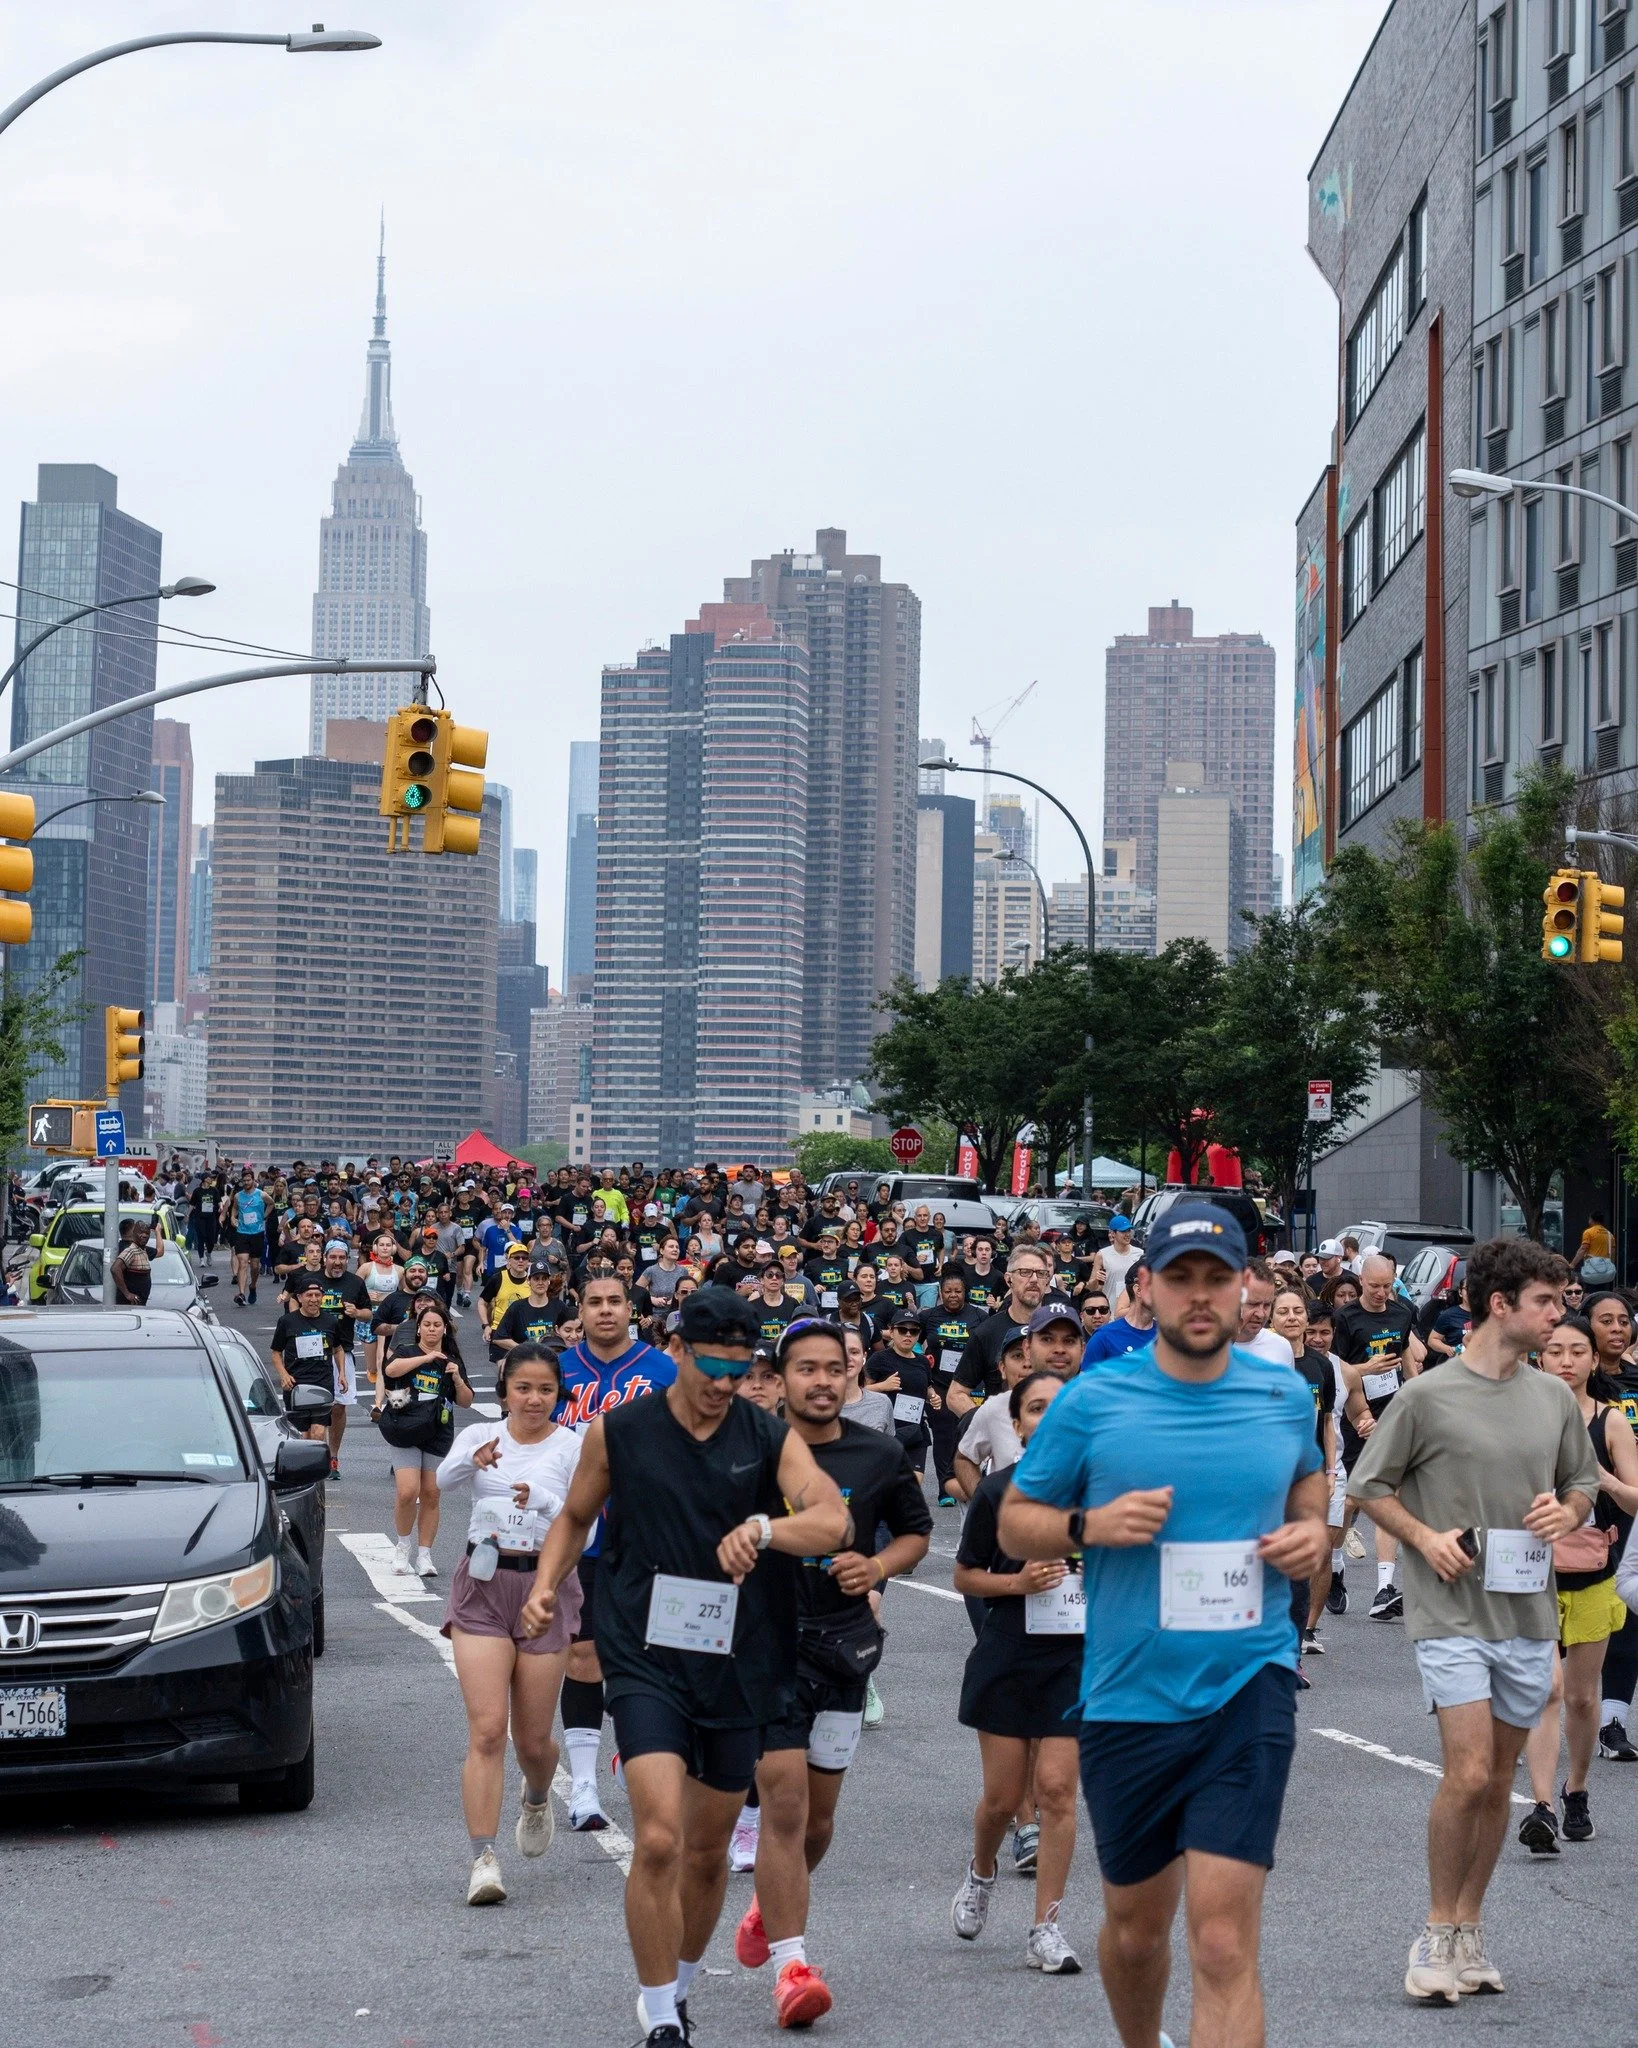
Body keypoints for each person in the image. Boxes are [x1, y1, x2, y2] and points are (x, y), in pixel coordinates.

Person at [998, 1201, 1328, 2048]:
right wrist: (1090, 1526)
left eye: (1218, 1277)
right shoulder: (1095, 1400)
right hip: (1129, 1696)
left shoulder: (1281, 1395)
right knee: (1137, 1933)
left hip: (1249, 1684)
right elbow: (1015, 1523)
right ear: (1146, 1286)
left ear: (1244, 1285)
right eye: (1181, 1277)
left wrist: (1310, 1530)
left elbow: (1308, 1480)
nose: (1200, 1295)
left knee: (1221, 1940)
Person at [519, 1288, 848, 2048]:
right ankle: (661, 2014)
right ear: (677, 1352)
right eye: (712, 1369)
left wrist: (766, 1529)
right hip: (644, 1653)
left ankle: (682, 1985)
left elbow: (832, 1517)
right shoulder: (621, 1431)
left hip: (738, 1660)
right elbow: (575, 1517)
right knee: (662, 1836)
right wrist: (545, 1587)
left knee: (705, 1852)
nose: (726, 1385)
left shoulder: (766, 1437)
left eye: (740, 1370)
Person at [1347, 1235, 1599, 2005]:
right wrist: (1423, 1540)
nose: (1559, 1315)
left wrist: (1567, 1511)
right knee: (1466, 1772)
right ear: (1500, 1304)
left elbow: (1583, 1482)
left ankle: (1467, 1928)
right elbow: (1368, 1485)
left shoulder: (1553, 1397)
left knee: (1496, 1783)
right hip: (1449, 1610)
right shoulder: (1428, 1396)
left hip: (1526, 1611)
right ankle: (1433, 1931)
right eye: (1546, 1302)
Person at [734, 1320, 932, 2027]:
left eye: (833, 1369)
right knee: (784, 1809)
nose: (821, 1381)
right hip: (766, 1650)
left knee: (817, 1824)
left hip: (844, 1649)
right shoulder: (748, 1450)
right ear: (780, 1379)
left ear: (850, 1376)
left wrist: (875, 1566)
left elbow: (916, 1532)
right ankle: (793, 1968)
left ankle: (768, 1906)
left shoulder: (877, 1453)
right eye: (805, 1369)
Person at [436, 1344, 584, 1905]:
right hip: (483, 1583)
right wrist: (471, 1462)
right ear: (505, 1392)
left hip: (546, 1585)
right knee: (487, 1730)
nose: (534, 1399)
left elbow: (587, 1529)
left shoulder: (572, 1447)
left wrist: (543, 1499)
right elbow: (444, 1480)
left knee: (533, 1741)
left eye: (545, 1389)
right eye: (523, 1388)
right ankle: (483, 1860)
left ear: (558, 1394)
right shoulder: (482, 1436)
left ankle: (538, 1794)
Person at [952, 1371, 1085, 1974]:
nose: (1049, 1418)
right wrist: (1019, 1583)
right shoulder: (999, 1490)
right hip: (1009, 1653)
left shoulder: (1103, 1491)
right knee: (1003, 1798)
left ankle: (1046, 1927)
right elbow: (965, 1575)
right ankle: (981, 1871)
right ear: (1018, 1425)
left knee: (1056, 1790)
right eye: (1036, 1408)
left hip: (1076, 1658)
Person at [555, 1272, 676, 1832]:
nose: (605, 1310)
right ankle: (584, 1786)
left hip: (650, 1539)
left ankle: (636, 1748)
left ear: (632, 1308)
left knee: (652, 1658)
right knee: (583, 1656)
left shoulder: (663, 1371)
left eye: (615, 1301)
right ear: (579, 1311)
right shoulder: (558, 1371)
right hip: (580, 1537)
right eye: (594, 1302)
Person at [1517, 1314, 1638, 1853]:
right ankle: (1542, 1805)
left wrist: (1602, 1478)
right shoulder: (1519, 1416)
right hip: (1530, 1572)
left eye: (1577, 1352)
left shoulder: (1610, 1421)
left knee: (1584, 1699)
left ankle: (1577, 1790)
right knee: (1547, 1689)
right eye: (1555, 1351)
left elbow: (1635, 1499)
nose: (1565, 1361)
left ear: (1593, 1360)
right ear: (1539, 1357)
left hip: (1592, 1573)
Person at [1334, 1252, 1422, 1622]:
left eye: (1387, 1286)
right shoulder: (1345, 1318)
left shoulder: (1402, 1313)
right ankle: (1334, 1566)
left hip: (1392, 1413)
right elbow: (1334, 1369)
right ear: (1361, 1282)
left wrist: (1418, 1395)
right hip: (1354, 1416)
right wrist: (1365, 1368)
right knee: (1350, 1500)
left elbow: (1406, 1357)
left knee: (1390, 1496)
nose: (1381, 1293)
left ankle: (1385, 1587)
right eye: (1374, 1286)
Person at [378, 1293, 476, 1576]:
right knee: (408, 1491)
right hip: (404, 1426)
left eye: (437, 1325)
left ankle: (424, 1555)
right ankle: (403, 1546)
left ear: (445, 1329)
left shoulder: (451, 1359)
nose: (432, 1329)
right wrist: (427, 1357)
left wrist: (456, 1378)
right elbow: (390, 1370)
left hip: (437, 1430)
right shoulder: (407, 1350)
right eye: (427, 1325)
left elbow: (466, 1401)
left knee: (432, 1493)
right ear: (419, 1328)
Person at [269, 1273, 345, 1441]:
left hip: (322, 1382)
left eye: (317, 1295)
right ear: (299, 1297)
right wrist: (283, 1375)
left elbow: (338, 1349)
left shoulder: (330, 1321)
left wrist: (342, 1374)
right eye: (309, 1295)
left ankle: (319, 1459)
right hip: (296, 1383)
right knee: (302, 1434)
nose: (313, 1300)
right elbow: (276, 1352)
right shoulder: (287, 1321)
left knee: (318, 1432)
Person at [1081, 1259, 1156, 1364]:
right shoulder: (1104, 1337)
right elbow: (1087, 1374)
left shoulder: (1168, 1336)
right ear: (1138, 1290)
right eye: (1159, 1285)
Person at [230, 1170, 267, 1307]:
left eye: (248, 1180)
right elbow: (234, 1208)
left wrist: (263, 1216)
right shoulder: (238, 1196)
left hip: (257, 1233)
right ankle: (241, 1293)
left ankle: (253, 1286)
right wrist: (233, 1217)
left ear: (253, 1180)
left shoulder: (261, 1194)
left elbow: (271, 1204)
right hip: (242, 1233)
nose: (246, 1183)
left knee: (255, 1266)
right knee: (243, 1262)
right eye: (244, 1180)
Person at [1098, 1214, 1141, 1307]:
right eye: (1123, 1231)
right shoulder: (1102, 1254)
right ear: (1113, 1233)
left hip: (1132, 1310)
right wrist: (1096, 1280)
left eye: (1129, 1230)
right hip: (1110, 1309)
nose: (1127, 1234)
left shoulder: (1140, 1254)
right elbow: (1092, 1288)